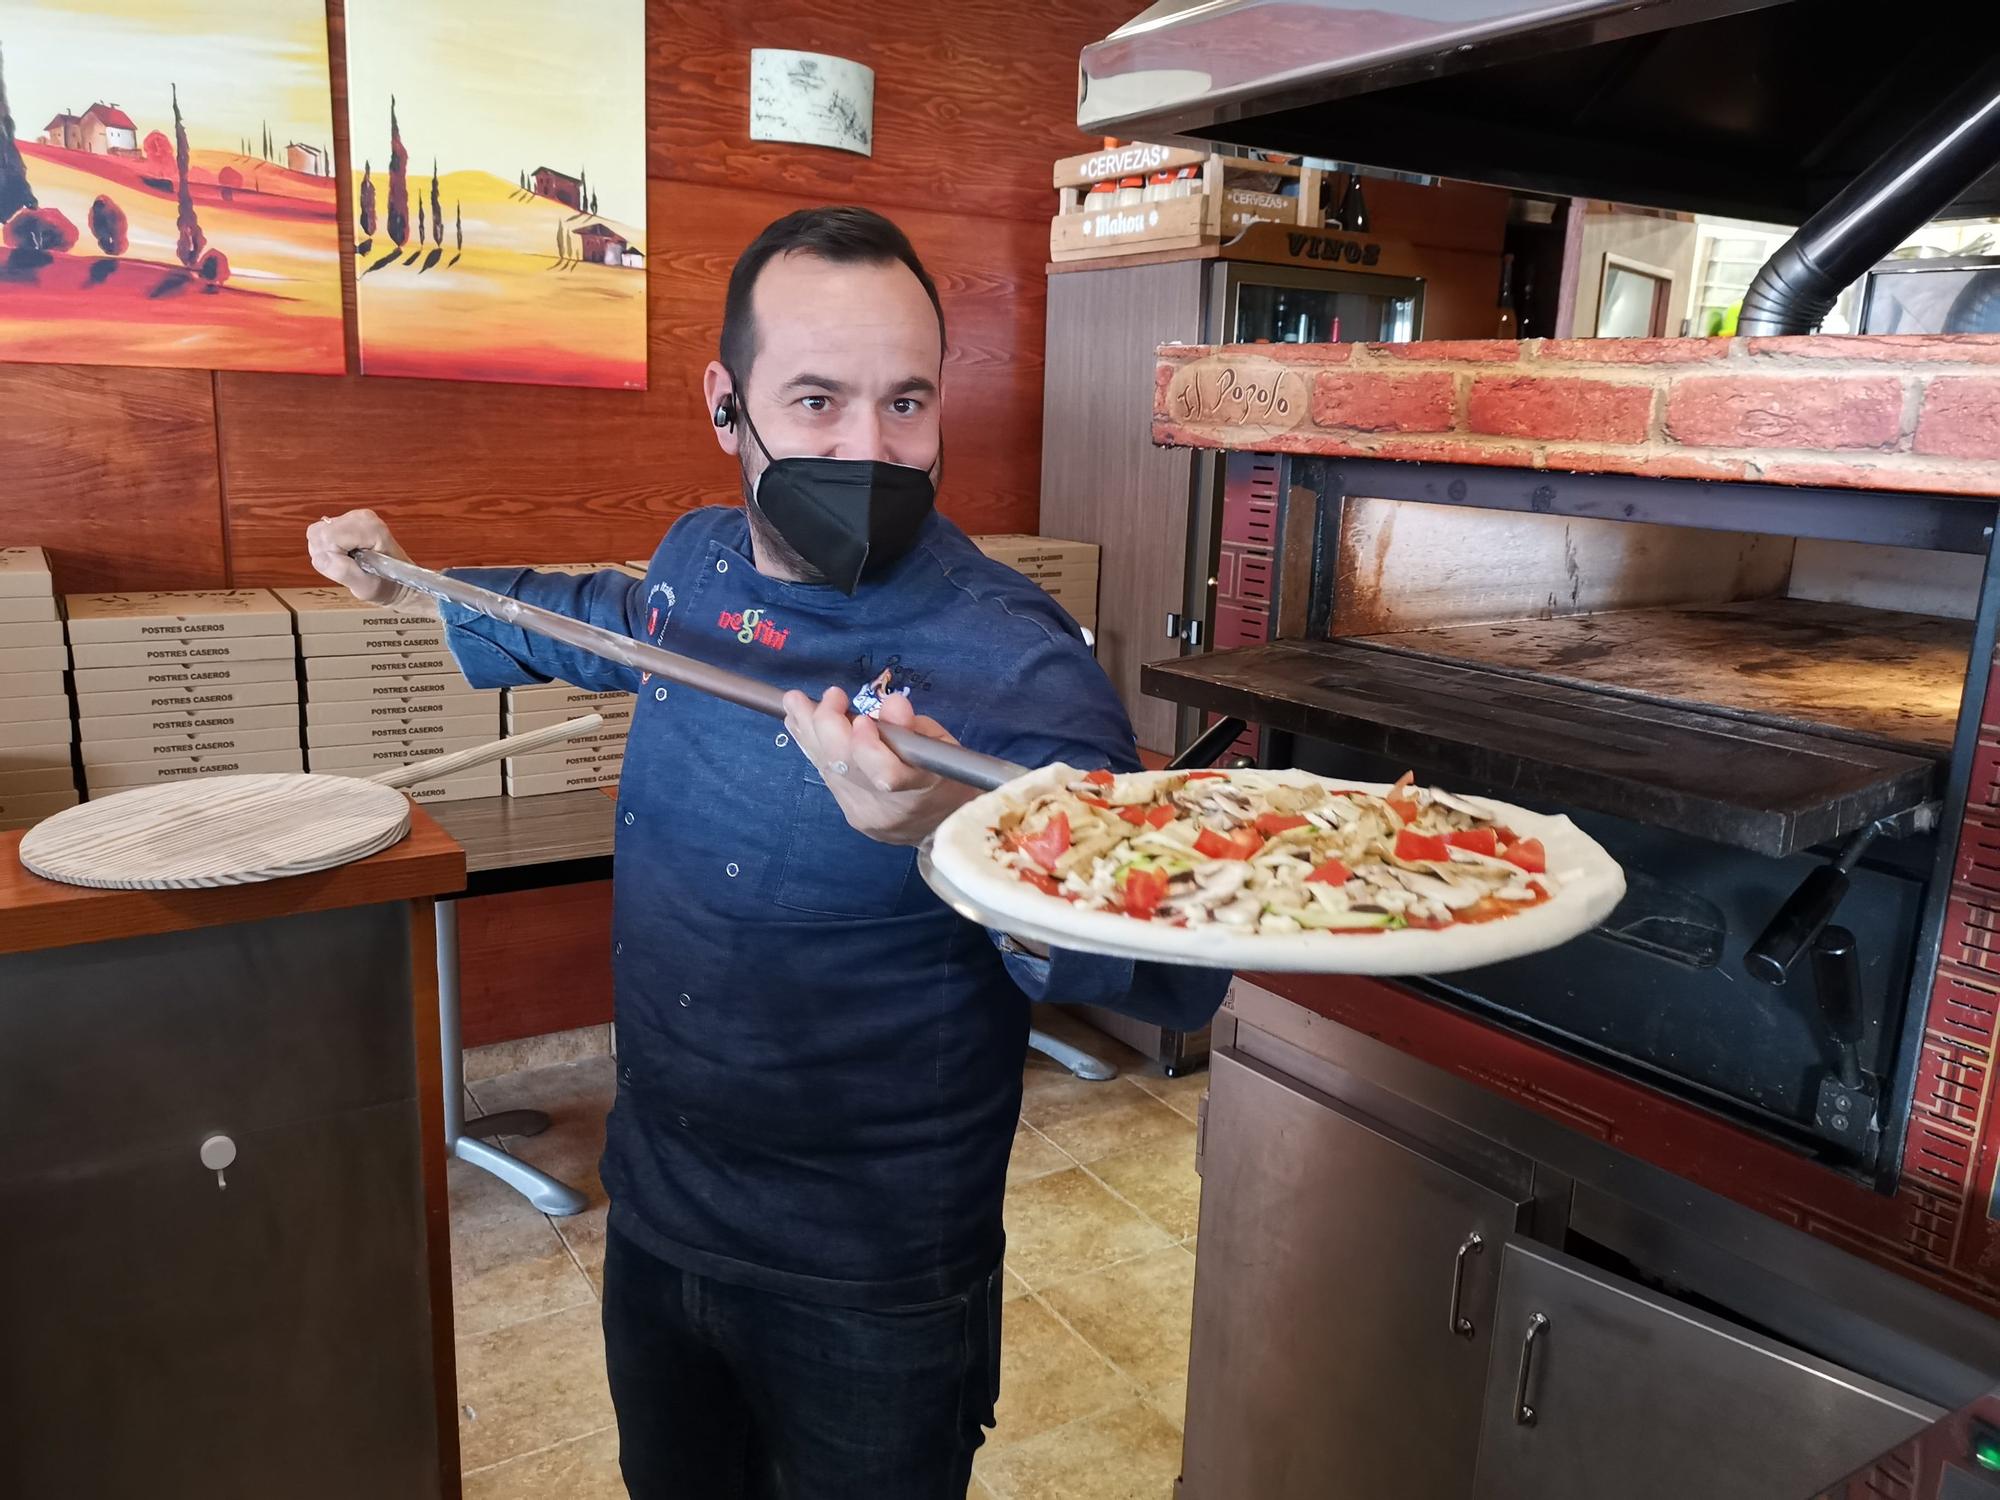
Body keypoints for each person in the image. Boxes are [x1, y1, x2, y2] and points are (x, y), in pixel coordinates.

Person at [308, 206, 1231, 1499]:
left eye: (907, 401)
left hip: (875, 1275)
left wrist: (954, 839)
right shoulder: (696, 558)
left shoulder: (1014, 655)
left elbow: (1171, 969)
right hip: (662, 1210)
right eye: (815, 400)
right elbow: (614, 623)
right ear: (725, 402)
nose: (870, 448)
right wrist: (414, 578)